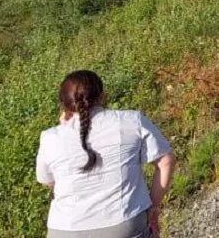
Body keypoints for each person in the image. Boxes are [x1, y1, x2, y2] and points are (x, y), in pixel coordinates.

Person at [36, 70, 175, 238]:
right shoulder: (131, 121)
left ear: (64, 106)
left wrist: (63, 128)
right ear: (102, 96)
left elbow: (48, 181)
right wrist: (153, 206)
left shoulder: (50, 137)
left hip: (64, 229)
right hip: (123, 224)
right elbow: (165, 161)